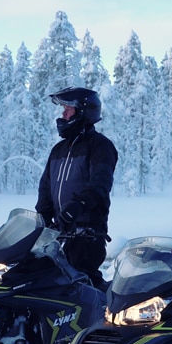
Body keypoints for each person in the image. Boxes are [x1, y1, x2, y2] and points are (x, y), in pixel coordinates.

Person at [36, 86, 119, 289]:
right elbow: (46, 186)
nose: (63, 114)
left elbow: (100, 184)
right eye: (63, 109)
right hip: (58, 233)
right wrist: (41, 218)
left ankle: (106, 317)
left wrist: (78, 205)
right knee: (47, 283)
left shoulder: (100, 146)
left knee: (82, 286)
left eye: (68, 109)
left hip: (86, 234)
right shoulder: (58, 150)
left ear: (83, 110)